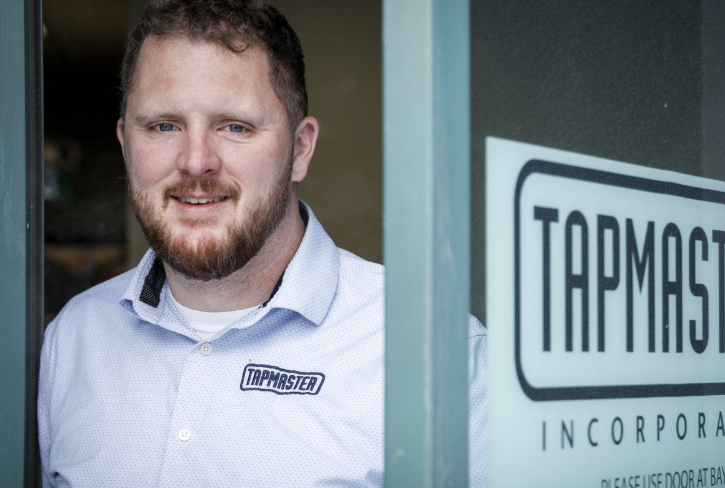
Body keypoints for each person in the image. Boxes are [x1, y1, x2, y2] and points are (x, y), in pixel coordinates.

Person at [37, 1, 487, 486]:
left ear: (300, 149)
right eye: (164, 126)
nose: (195, 162)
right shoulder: (75, 339)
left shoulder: (432, 353)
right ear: (127, 145)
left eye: (235, 127)